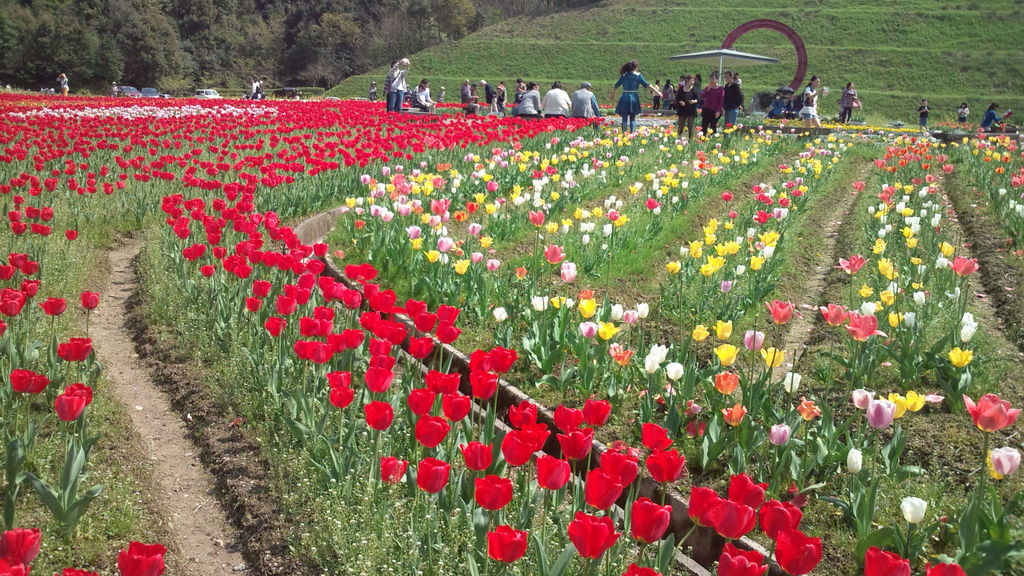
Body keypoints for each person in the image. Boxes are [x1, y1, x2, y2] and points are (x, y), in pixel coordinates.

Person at [611, 60, 659, 133]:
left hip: (624, 97)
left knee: (624, 117)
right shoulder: (637, 76)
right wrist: (657, 92)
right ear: (636, 67)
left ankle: (624, 133)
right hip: (634, 97)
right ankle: (632, 134)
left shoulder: (624, 75)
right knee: (632, 118)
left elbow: (615, 86)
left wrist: (613, 95)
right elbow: (647, 85)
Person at [674, 74, 699, 140]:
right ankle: (678, 140)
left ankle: (690, 140)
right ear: (687, 80)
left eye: (693, 81)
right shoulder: (681, 89)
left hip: (691, 110)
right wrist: (680, 101)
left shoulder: (694, 89)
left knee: (690, 126)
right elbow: (677, 98)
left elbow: (698, 99)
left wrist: (694, 101)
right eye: (691, 80)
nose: (693, 82)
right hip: (682, 110)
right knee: (681, 126)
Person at [699, 72, 725, 136]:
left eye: (713, 79)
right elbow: (702, 96)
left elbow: (721, 101)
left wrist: (718, 111)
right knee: (703, 126)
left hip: (715, 110)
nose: (712, 80)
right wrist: (708, 89)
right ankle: (702, 140)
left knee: (713, 127)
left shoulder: (721, 89)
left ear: (717, 79)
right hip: (706, 109)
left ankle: (712, 141)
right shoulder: (708, 87)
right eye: (710, 79)